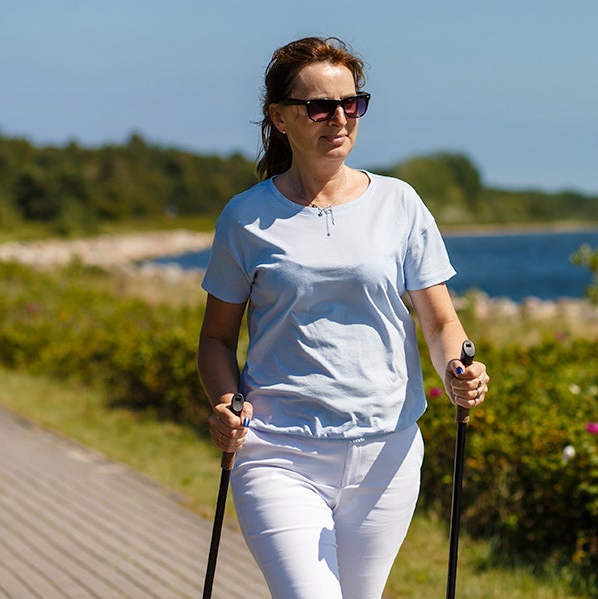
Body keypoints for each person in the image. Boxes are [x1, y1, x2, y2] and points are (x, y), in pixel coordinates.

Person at [196, 36, 489, 598]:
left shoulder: (399, 203)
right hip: (278, 453)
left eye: (351, 103)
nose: (339, 118)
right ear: (280, 118)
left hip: (387, 454)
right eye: (320, 106)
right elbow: (215, 340)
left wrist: (459, 369)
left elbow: (439, 321)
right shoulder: (246, 218)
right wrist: (223, 402)